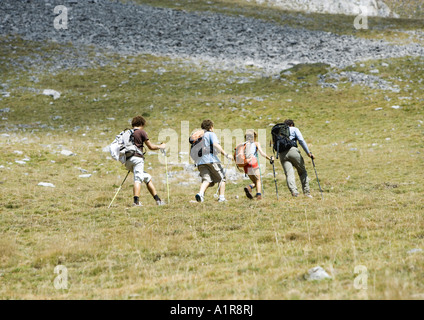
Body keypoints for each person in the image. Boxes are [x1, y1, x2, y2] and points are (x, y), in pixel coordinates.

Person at [125, 116, 166, 206]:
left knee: (147, 177)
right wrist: (160, 146)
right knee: (138, 179)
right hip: (137, 159)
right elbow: (150, 147)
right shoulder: (141, 132)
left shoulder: (128, 133)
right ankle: (136, 202)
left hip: (127, 160)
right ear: (142, 124)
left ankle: (158, 200)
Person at [194, 119, 233, 203]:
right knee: (222, 178)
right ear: (211, 127)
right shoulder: (211, 134)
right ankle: (221, 198)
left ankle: (200, 194)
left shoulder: (199, 136)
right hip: (211, 159)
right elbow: (215, 145)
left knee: (206, 179)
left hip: (200, 161)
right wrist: (226, 155)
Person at [279, 119, 315, 198]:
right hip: (293, 151)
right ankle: (307, 193)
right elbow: (301, 140)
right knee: (302, 171)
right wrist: (308, 153)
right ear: (291, 124)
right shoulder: (294, 129)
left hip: (282, 154)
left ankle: (294, 192)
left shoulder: (279, 131)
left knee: (289, 174)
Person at [241, 130, 274, 201]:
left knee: (255, 182)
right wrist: (269, 158)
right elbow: (262, 153)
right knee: (258, 180)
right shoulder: (256, 143)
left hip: (245, 164)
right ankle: (258, 195)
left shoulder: (243, 144)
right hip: (253, 162)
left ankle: (250, 188)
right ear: (254, 136)